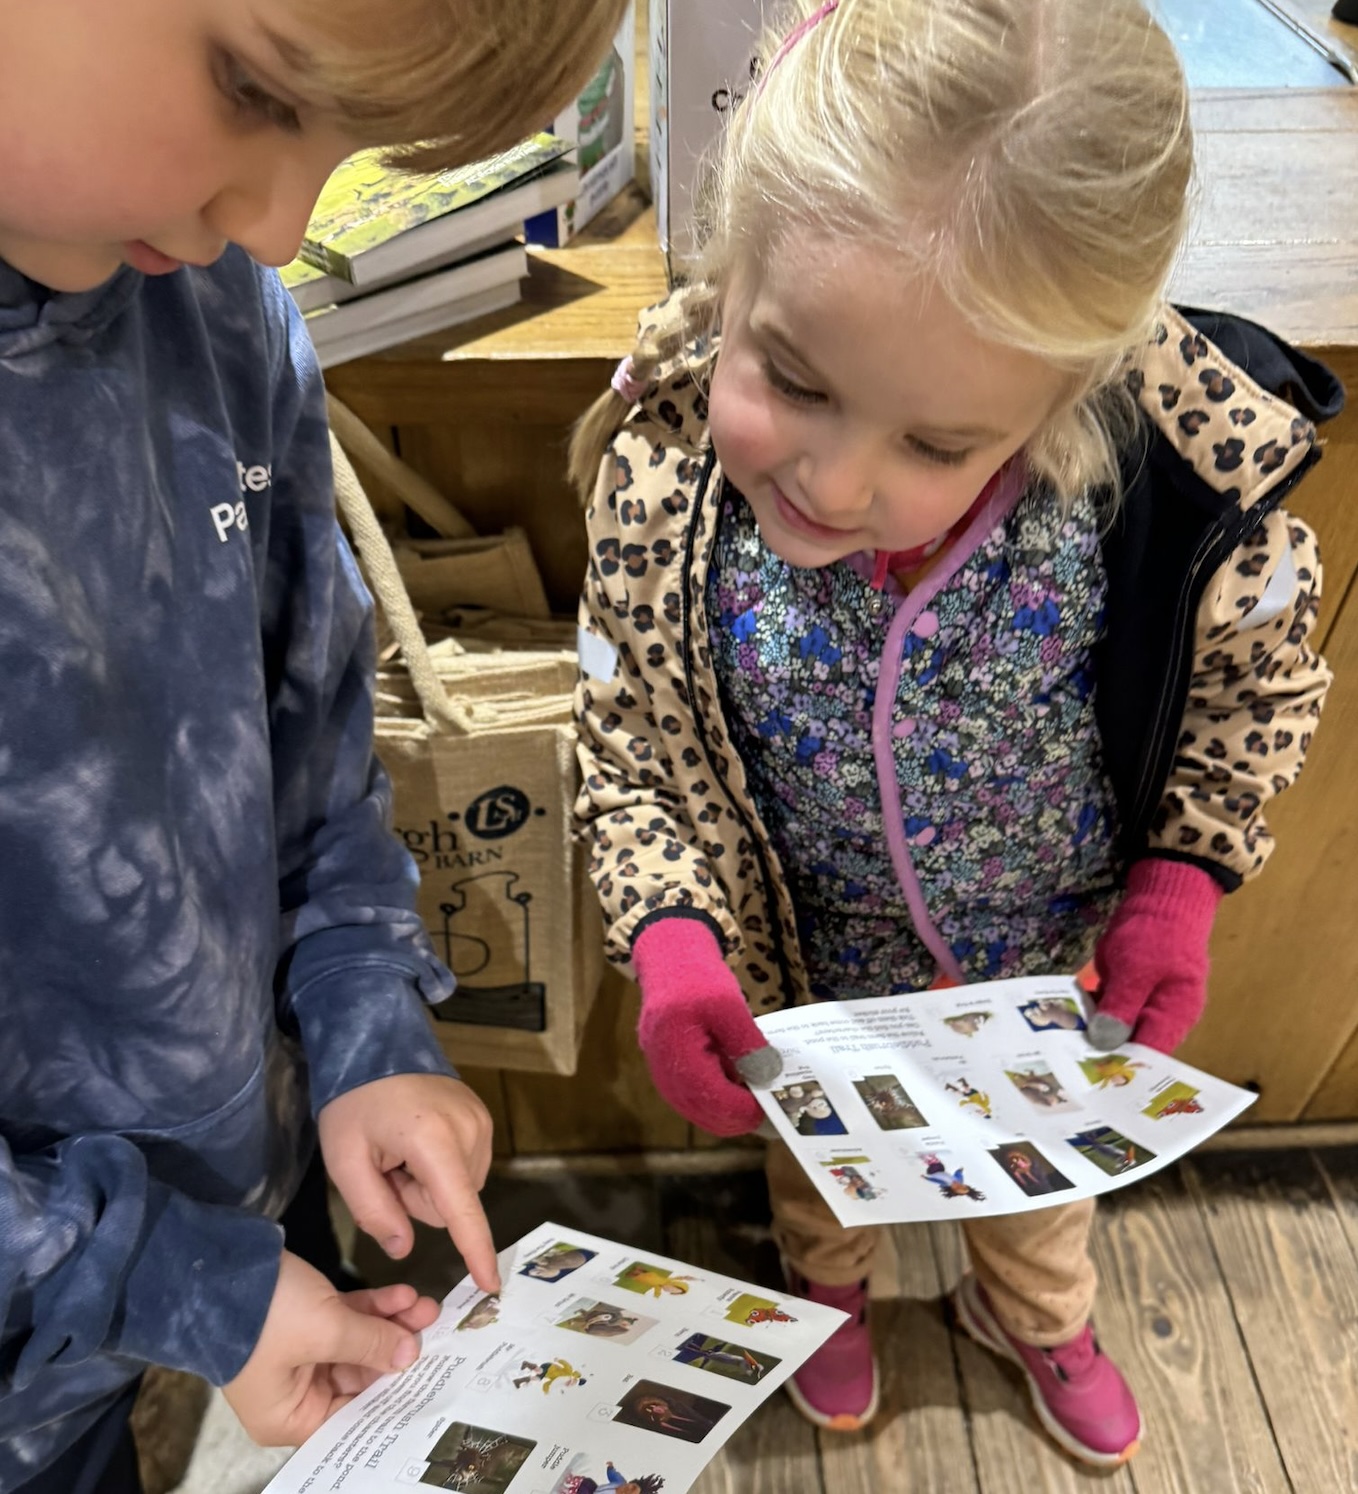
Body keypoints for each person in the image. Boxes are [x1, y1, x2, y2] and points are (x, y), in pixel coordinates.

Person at [570, 0, 1340, 1466]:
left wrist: (1179, 886)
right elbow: (628, 743)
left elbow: (1249, 691)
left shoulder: (1168, 495)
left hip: (1041, 982)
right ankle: (826, 1293)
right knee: (817, 1184)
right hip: (804, 985)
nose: (835, 482)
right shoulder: (663, 487)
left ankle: (1033, 1317)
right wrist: (672, 938)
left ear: (1060, 395)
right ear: (733, 266)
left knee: (1041, 1200)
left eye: (936, 444)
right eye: (793, 380)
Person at [0, 0, 627, 1488]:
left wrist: (361, 1018)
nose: (280, 228)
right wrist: (170, 1280)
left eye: (347, 148)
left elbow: (311, 734)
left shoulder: (219, 309)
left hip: (173, 1278)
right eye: (249, 86)